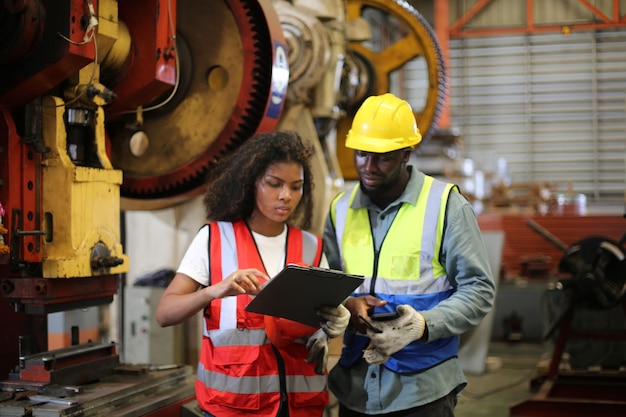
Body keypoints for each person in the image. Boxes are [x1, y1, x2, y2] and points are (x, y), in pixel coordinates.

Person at [323, 93, 496, 416]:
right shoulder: (339, 210)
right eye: (361, 154)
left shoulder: (446, 206)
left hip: (422, 390)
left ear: (406, 153)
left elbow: (479, 289)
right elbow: (331, 284)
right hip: (355, 386)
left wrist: (422, 325)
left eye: (383, 157)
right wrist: (347, 304)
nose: (369, 166)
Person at [155, 130, 350, 417]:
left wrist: (332, 324)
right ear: (252, 182)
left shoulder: (311, 247)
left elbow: (317, 324)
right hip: (232, 409)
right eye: (274, 184)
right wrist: (214, 290)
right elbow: (164, 313)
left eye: (296, 187)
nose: (286, 196)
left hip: (300, 408)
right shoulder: (214, 240)